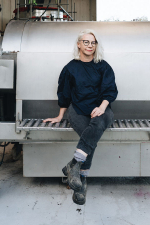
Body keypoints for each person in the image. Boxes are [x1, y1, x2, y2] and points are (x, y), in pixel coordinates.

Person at [43, 29, 118, 205]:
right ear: (79, 44)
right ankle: (81, 180)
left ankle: (75, 168)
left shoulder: (103, 66)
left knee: (96, 126)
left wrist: (102, 107)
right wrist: (60, 115)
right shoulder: (70, 68)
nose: (90, 45)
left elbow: (110, 90)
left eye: (93, 43)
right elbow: (64, 94)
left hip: (102, 109)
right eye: (86, 42)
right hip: (77, 109)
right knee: (88, 134)